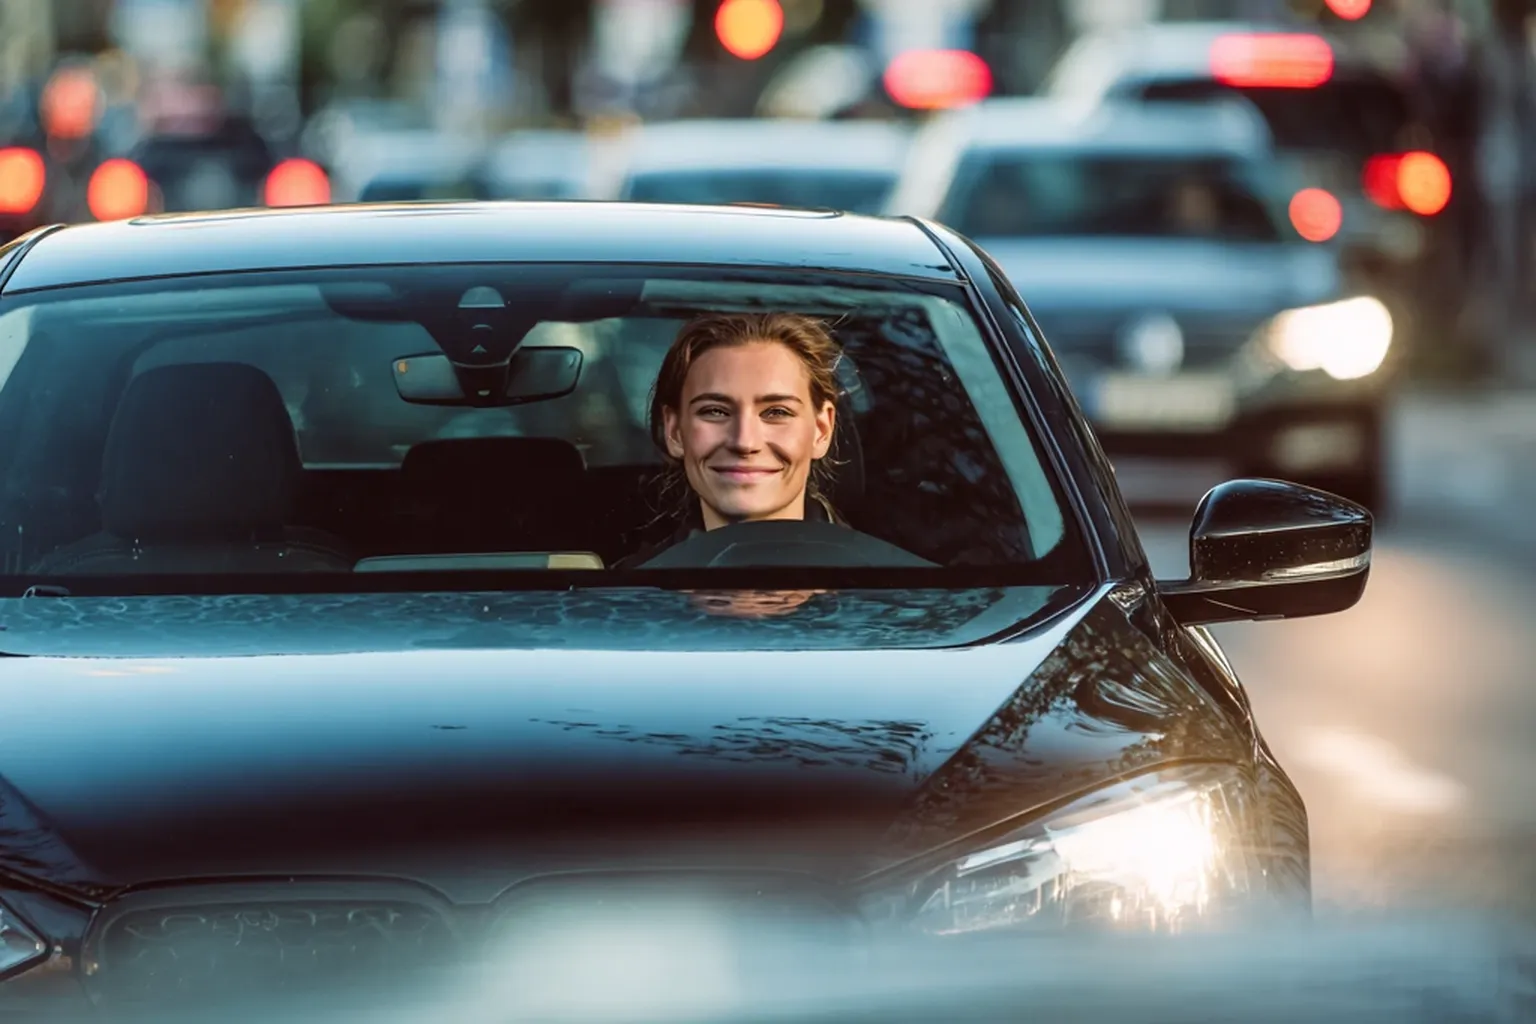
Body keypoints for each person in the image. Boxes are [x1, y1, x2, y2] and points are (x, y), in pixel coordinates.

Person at [615, 312, 843, 568]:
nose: (744, 442)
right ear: (674, 430)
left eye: (777, 412)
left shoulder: (891, 597)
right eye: (715, 411)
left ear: (822, 429)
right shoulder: (618, 597)